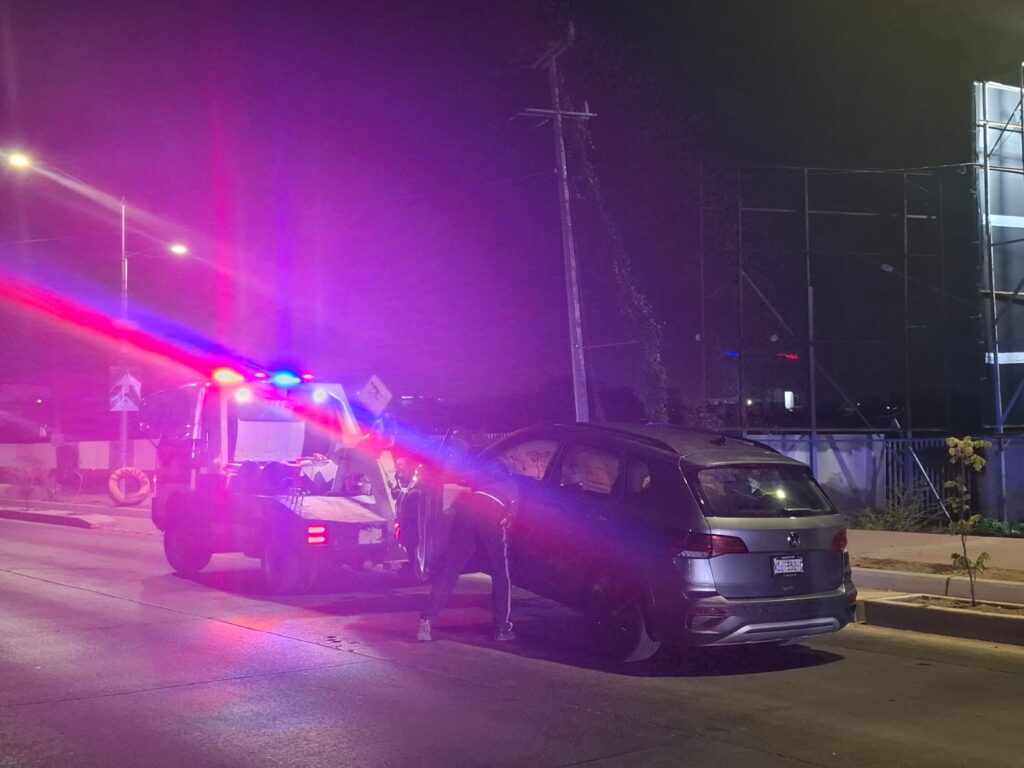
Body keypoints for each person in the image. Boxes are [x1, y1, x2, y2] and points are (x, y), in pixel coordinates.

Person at [417, 463, 517, 643]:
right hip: (492, 511)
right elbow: (508, 519)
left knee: (450, 570)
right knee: (501, 574)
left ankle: (426, 621)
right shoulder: (516, 488)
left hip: (467, 510)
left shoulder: (484, 481)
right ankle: (502, 629)